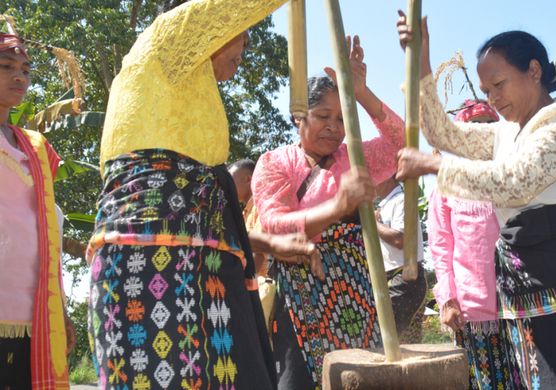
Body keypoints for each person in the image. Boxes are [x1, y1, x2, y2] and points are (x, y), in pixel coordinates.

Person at [397, 15, 556, 389]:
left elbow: (516, 182)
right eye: (486, 91)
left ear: (534, 71)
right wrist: (420, 59)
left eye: (499, 84)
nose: (493, 99)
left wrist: (434, 165)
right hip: (529, 287)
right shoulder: (505, 132)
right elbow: (441, 132)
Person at [87, 1, 315, 388]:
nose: (245, 39)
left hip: (207, 273)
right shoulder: (166, 41)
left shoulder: (190, 81)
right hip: (151, 268)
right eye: (239, 28)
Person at [252, 35, 405, 389]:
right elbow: (275, 225)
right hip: (299, 296)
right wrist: (337, 206)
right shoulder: (275, 163)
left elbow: (402, 143)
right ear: (298, 117)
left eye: (341, 117)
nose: (334, 127)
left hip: (358, 294)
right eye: (323, 116)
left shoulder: (352, 156)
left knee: (357, 379)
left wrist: (361, 92)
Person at [0, 31, 75, 390]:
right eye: (6, 66)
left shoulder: (36, 146)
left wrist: (60, 307)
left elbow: (50, 229)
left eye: (26, 70)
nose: (19, 77)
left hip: (35, 312)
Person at [427, 99, 510, 390]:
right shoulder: (447, 184)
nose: (485, 132)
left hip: (518, 302)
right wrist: (448, 300)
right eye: (477, 126)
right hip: (472, 312)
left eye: (492, 125)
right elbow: (440, 245)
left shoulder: (513, 175)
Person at [374, 176, 427, 343]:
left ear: (387, 177)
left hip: (405, 279)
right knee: (402, 346)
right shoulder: (385, 205)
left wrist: (371, 223)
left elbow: (400, 239)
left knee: (389, 342)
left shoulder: (402, 201)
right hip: (394, 278)